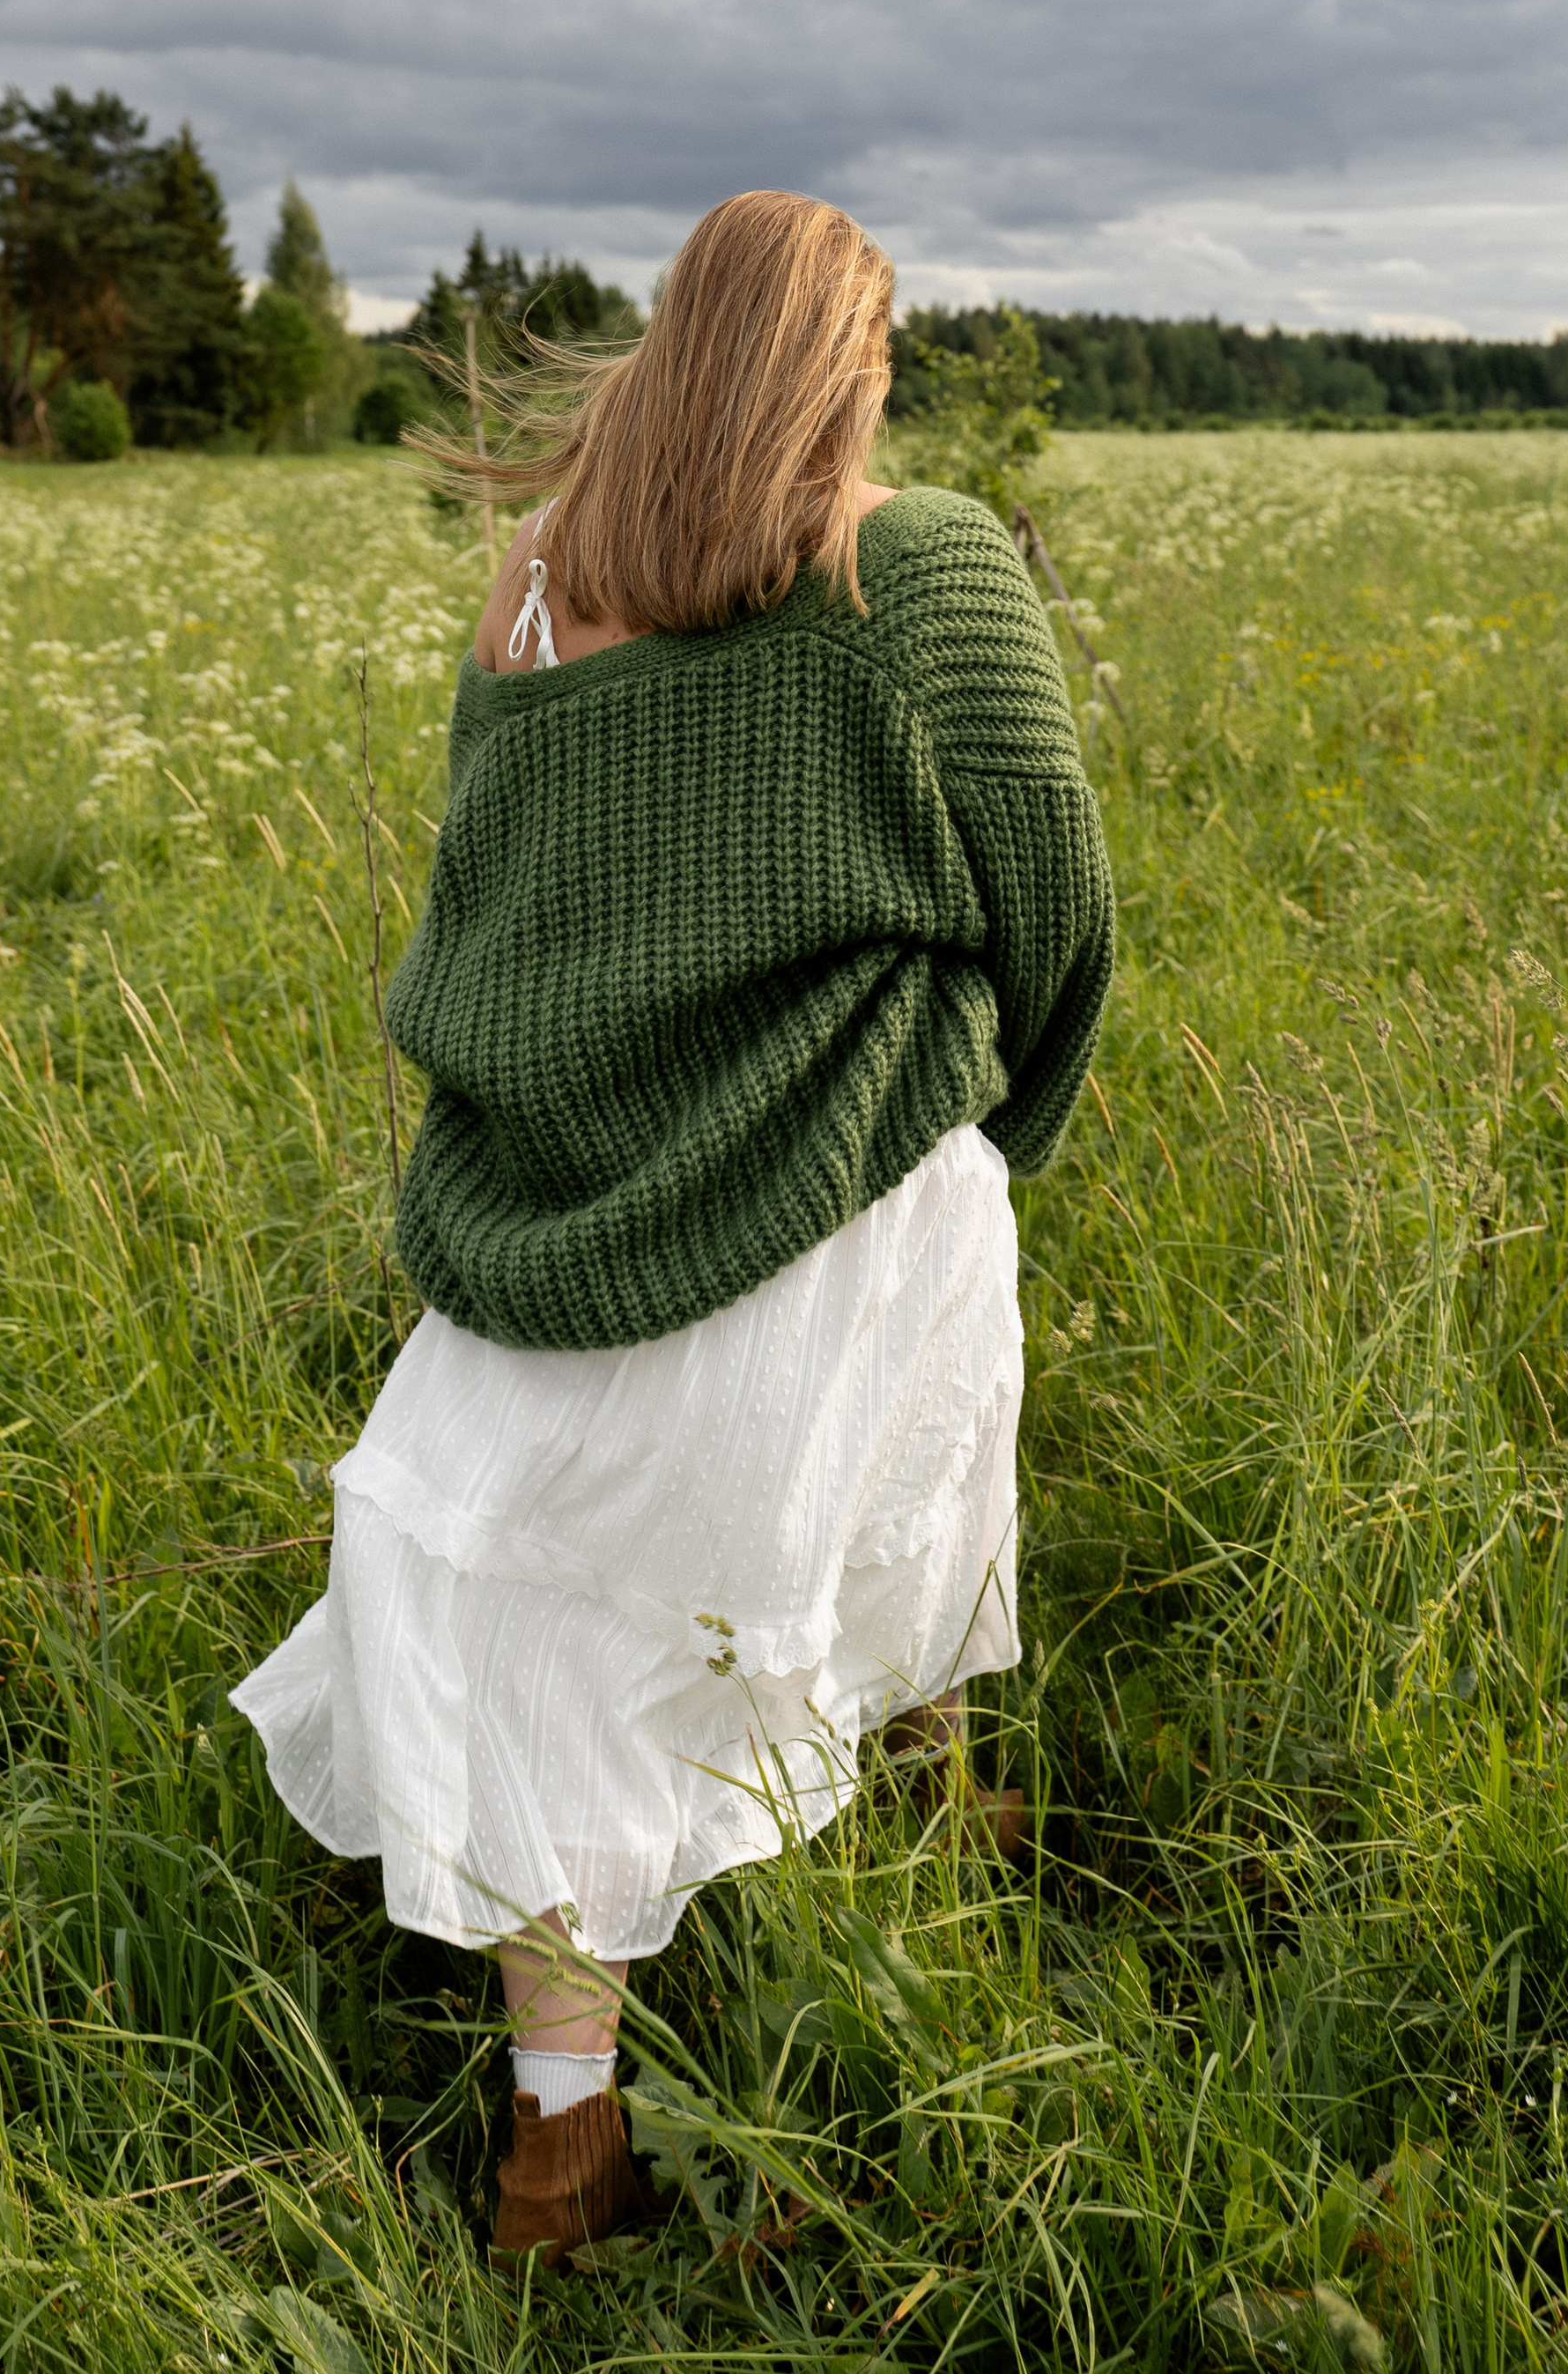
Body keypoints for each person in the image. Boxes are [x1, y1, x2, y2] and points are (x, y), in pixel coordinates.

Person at [233, 190, 1114, 2268]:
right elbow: (1053, 896)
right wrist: (1004, 1127)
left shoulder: (530, 591)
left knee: (534, 1637)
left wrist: (563, 1133)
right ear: (849, 365)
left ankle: (563, 2135)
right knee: (908, 1482)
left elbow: (494, 908)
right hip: (851, 1193)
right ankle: (937, 1804)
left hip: (551, 1214)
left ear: (676, 343)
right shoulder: (923, 566)